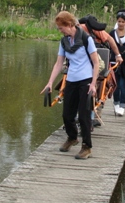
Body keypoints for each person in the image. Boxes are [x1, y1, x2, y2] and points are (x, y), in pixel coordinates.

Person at [42, 11, 99, 160]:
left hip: (86, 80)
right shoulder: (64, 42)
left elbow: (96, 62)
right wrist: (49, 82)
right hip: (71, 80)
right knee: (67, 114)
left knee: (84, 115)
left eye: (61, 28)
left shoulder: (86, 39)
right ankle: (72, 137)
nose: (60, 30)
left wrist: (93, 84)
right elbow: (59, 63)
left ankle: (87, 147)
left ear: (69, 25)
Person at [78, 14, 123, 127]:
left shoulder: (94, 30)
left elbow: (110, 39)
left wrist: (117, 55)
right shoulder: (76, 30)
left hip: (96, 60)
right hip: (81, 61)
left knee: (102, 82)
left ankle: (96, 112)